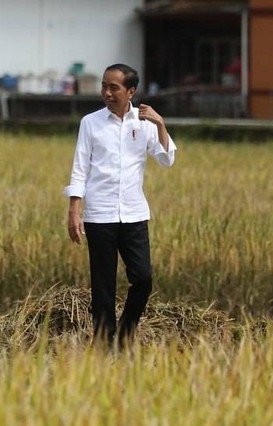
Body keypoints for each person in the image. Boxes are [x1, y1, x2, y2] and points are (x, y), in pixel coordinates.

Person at [64, 63, 177, 351]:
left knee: (143, 278)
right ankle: (104, 343)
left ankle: (125, 334)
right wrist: (74, 210)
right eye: (104, 86)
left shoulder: (145, 123)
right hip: (99, 215)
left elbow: (167, 160)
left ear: (131, 91)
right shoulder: (90, 123)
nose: (106, 92)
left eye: (114, 87)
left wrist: (160, 124)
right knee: (103, 286)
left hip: (134, 214)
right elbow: (80, 168)